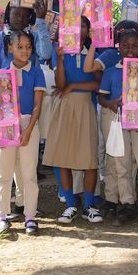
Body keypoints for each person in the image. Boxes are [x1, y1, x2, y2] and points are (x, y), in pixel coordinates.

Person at [0, 0, 52, 220]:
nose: (20, 18)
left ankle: (24, 205)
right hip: (3, 115)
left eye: (25, 14)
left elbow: (46, 53)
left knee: (27, 167)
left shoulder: (33, 45)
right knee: (3, 166)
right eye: (15, 13)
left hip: (27, 117)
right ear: (7, 14)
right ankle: (3, 212)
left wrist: (40, 21)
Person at [42, 16, 103, 224]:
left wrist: (73, 87)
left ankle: (88, 206)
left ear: (88, 30)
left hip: (85, 106)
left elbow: (97, 84)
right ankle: (70, 204)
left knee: (89, 159)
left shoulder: (94, 53)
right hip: (64, 107)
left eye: (84, 26)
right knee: (63, 156)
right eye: (75, 27)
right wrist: (59, 59)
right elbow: (60, 84)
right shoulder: (62, 53)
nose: (80, 30)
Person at [98, 30, 138, 224]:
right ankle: (127, 203)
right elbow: (101, 97)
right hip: (118, 122)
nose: (130, 50)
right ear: (119, 47)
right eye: (126, 46)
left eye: (135, 46)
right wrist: (110, 104)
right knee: (121, 164)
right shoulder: (111, 72)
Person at [0, 30, 46, 235]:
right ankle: (2, 216)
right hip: (6, 125)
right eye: (20, 46)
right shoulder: (4, 71)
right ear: (10, 48)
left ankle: (30, 217)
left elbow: (37, 105)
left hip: (27, 124)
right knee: (3, 173)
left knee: (28, 174)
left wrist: (29, 130)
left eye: (28, 47)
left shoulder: (36, 71)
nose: (24, 51)